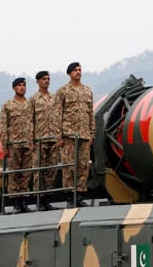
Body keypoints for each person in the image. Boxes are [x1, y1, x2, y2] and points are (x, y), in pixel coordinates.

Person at [54, 62, 95, 208]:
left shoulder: (87, 91)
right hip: (69, 135)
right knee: (69, 167)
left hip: (84, 135)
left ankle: (80, 194)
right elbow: (57, 115)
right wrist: (60, 136)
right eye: (75, 70)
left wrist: (92, 134)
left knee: (83, 166)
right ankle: (70, 197)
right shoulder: (62, 91)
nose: (78, 72)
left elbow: (90, 114)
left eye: (79, 70)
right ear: (69, 73)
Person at [0, 77, 34, 214]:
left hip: (27, 144)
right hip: (14, 144)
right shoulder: (8, 105)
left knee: (26, 174)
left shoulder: (30, 104)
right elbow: (3, 126)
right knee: (14, 174)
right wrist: (4, 146)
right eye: (19, 85)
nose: (22, 87)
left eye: (24, 85)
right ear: (14, 88)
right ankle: (15, 203)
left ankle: (24, 201)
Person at [29, 70, 58, 210]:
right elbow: (29, 121)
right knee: (38, 171)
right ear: (38, 82)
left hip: (53, 139)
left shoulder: (54, 98)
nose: (46, 81)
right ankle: (39, 200)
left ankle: (47, 199)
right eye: (43, 79)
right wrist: (31, 141)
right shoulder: (34, 100)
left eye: (48, 79)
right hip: (39, 140)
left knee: (51, 171)